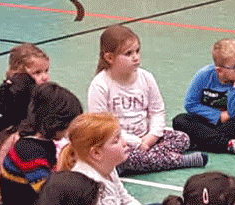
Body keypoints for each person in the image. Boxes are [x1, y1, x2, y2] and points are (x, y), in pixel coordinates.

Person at [87, 25, 206, 174]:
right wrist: (136, 143)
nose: (135, 57)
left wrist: (151, 137)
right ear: (110, 58)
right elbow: (103, 127)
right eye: (128, 53)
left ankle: (147, 161)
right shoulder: (100, 85)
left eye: (137, 51)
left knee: (182, 138)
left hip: (147, 140)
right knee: (125, 156)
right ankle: (179, 161)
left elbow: (157, 111)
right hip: (120, 143)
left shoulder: (146, 78)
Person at [0, 81, 83, 205]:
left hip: (30, 203)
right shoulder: (30, 151)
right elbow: (47, 190)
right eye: (69, 126)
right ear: (56, 122)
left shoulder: (40, 142)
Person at [0, 45, 51, 205]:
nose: (45, 77)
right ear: (17, 74)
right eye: (37, 73)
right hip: (13, 185)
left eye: (46, 71)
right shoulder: (12, 106)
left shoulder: (6, 98)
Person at [173, 38, 235, 154]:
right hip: (205, 121)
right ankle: (227, 145)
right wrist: (218, 116)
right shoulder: (203, 76)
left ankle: (199, 142)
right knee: (180, 120)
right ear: (220, 71)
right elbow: (191, 104)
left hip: (229, 123)